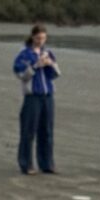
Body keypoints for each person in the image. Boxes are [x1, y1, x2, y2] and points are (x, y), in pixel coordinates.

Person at [13, 23, 61, 174]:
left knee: (46, 131)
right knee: (28, 131)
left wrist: (50, 64)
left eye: (43, 38)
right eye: (38, 38)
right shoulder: (24, 54)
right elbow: (21, 75)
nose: (41, 41)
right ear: (33, 37)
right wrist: (35, 66)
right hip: (32, 96)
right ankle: (26, 164)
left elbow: (56, 74)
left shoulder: (48, 52)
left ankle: (47, 163)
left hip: (47, 96)